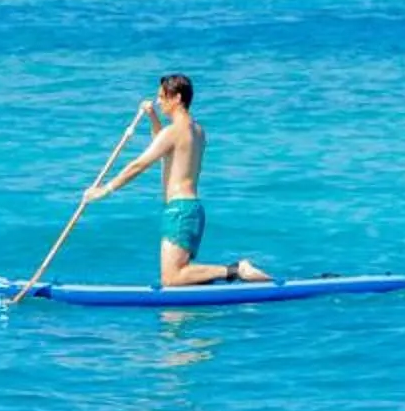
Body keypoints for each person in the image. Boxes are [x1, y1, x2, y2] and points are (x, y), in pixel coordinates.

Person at [86, 72, 271, 286]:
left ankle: (236, 270)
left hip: (180, 210)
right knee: (184, 278)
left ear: (177, 98)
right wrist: (153, 117)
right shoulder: (198, 131)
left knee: (171, 278)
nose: (159, 101)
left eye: (162, 97)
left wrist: (105, 189)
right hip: (192, 209)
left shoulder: (173, 132)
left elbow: (139, 164)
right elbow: (166, 149)